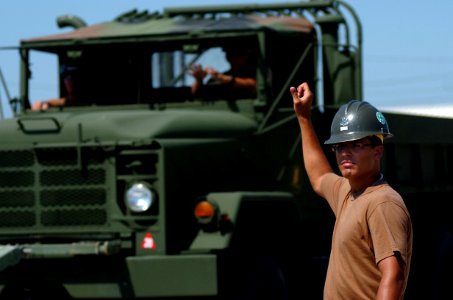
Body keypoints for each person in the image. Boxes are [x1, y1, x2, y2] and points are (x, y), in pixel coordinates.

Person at [290, 82, 413, 300]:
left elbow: (393, 276)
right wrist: (304, 117)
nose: (345, 153)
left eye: (356, 145)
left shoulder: (382, 203)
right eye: (340, 146)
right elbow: (319, 177)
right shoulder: (348, 192)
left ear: (377, 151)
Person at [187, 47, 257, 100]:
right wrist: (198, 79)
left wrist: (224, 79)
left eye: (236, 54)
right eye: (230, 54)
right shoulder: (219, 78)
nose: (232, 58)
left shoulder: (258, 73)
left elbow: (254, 85)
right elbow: (198, 95)